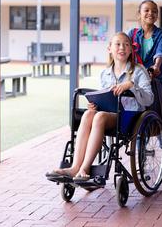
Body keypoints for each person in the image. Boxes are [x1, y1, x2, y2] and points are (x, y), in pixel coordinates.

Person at [49, 32, 153, 181]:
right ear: (109, 48)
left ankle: (85, 168)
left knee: (99, 117)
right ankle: (75, 167)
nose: (122, 47)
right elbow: (104, 97)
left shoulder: (138, 71)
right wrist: (95, 104)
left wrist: (131, 85)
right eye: (117, 44)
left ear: (131, 49)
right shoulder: (105, 74)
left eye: (126, 44)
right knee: (88, 114)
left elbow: (149, 99)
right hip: (109, 114)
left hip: (130, 117)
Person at [128, 0, 162, 163]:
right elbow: (124, 50)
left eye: (154, 11)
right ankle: (140, 151)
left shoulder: (161, 33)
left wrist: (156, 66)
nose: (150, 14)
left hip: (154, 78)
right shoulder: (132, 34)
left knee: (158, 111)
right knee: (138, 113)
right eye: (146, 10)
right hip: (136, 80)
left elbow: (160, 52)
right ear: (139, 14)